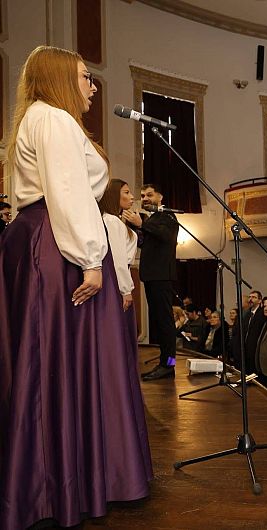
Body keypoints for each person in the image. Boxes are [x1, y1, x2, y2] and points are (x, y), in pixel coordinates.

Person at [0, 45, 152, 529]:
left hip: (40, 239)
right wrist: (90, 259)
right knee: (65, 361)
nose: (92, 86)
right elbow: (67, 193)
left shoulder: (39, 119)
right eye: (85, 77)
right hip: (59, 245)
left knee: (50, 362)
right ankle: (68, 484)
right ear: (62, 78)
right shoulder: (55, 119)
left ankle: (54, 482)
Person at [131, 182, 179, 381]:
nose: (145, 199)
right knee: (159, 321)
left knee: (165, 322)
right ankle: (164, 362)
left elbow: (166, 236)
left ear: (160, 197)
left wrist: (142, 224)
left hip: (161, 276)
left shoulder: (167, 216)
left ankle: (169, 365)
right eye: (142, 196)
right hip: (152, 276)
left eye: (149, 195)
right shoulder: (153, 219)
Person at [97, 178, 137, 313]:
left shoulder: (113, 220)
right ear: (114, 195)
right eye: (126, 192)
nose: (132, 197)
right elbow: (118, 257)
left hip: (116, 278)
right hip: (115, 280)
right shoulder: (112, 221)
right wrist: (125, 289)